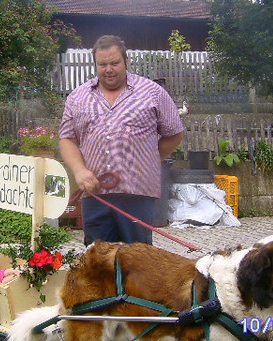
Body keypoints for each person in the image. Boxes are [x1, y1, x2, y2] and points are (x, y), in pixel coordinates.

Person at [59, 35, 184, 246]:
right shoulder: (78, 97)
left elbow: (175, 133)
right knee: (97, 263)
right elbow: (67, 139)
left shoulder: (152, 93)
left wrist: (149, 158)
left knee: (137, 264)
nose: (109, 69)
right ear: (95, 64)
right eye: (102, 64)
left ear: (126, 61)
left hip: (137, 194)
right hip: (95, 195)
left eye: (115, 63)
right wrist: (79, 170)